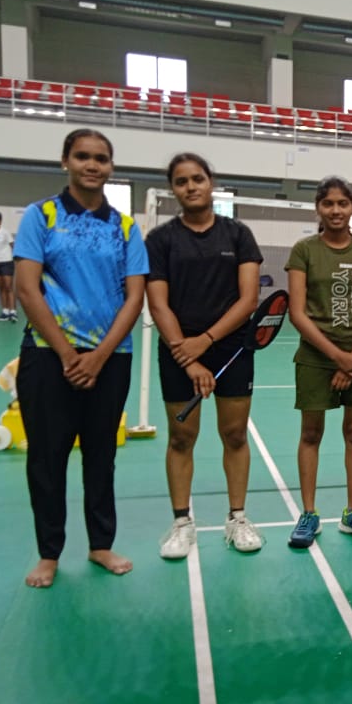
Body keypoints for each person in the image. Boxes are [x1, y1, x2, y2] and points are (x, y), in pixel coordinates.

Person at [13, 128, 148, 588]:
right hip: (49, 358)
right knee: (47, 459)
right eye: (83, 156)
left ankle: (100, 545)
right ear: (65, 161)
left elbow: (134, 298)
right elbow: (26, 288)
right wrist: (70, 353)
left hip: (111, 358)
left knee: (100, 455)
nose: (92, 165)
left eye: (101, 158)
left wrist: (99, 356)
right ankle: (49, 553)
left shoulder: (126, 227)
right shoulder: (41, 216)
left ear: (111, 167)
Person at [145, 153, 265, 560]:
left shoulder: (237, 235)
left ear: (211, 182)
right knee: (182, 436)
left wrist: (208, 340)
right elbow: (158, 305)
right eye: (181, 181)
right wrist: (189, 356)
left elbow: (248, 298)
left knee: (234, 434)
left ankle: (237, 518)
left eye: (197, 178)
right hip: (179, 349)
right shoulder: (160, 240)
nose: (191, 186)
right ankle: (182, 523)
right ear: (174, 189)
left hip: (231, 348)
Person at [285, 176, 352, 548]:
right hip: (316, 359)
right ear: (318, 208)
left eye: (343, 203)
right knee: (311, 434)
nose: (336, 210)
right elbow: (297, 313)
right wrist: (337, 358)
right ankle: (309, 513)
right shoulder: (303, 251)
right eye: (328, 203)